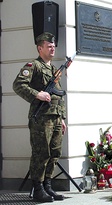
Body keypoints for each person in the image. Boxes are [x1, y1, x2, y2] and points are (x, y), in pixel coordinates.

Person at [13, 32, 66, 202]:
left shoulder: (53, 69)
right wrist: (38, 95)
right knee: (41, 153)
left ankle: (48, 187)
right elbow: (18, 85)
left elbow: (60, 96)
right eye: (48, 45)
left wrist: (62, 117)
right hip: (41, 118)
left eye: (53, 45)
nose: (52, 48)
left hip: (56, 118)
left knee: (55, 153)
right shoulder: (33, 66)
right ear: (39, 48)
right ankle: (38, 189)